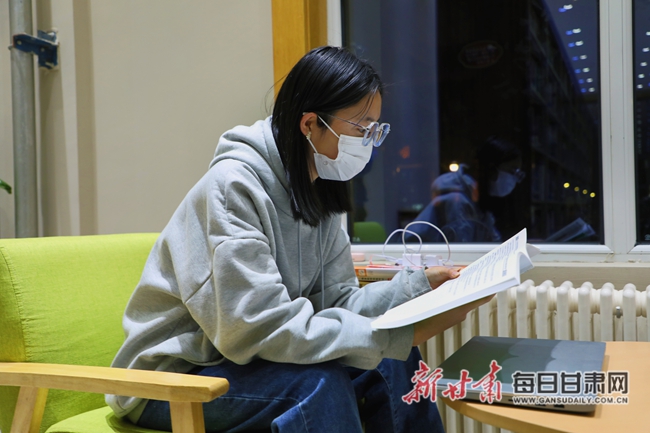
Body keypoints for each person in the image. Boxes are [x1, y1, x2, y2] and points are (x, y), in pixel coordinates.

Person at [105, 46, 490, 433]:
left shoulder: (318, 189)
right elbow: (254, 328)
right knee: (319, 384)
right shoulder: (232, 188)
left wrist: (417, 289)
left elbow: (337, 301)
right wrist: (392, 335)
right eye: (362, 129)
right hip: (172, 377)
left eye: (376, 129)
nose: (370, 142)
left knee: (393, 360)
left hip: (244, 362)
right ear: (310, 124)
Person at [405, 137, 523, 244]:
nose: (514, 179)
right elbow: (461, 250)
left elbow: (493, 242)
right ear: (491, 168)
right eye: (512, 171)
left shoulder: (478, 202)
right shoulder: (457, 200)